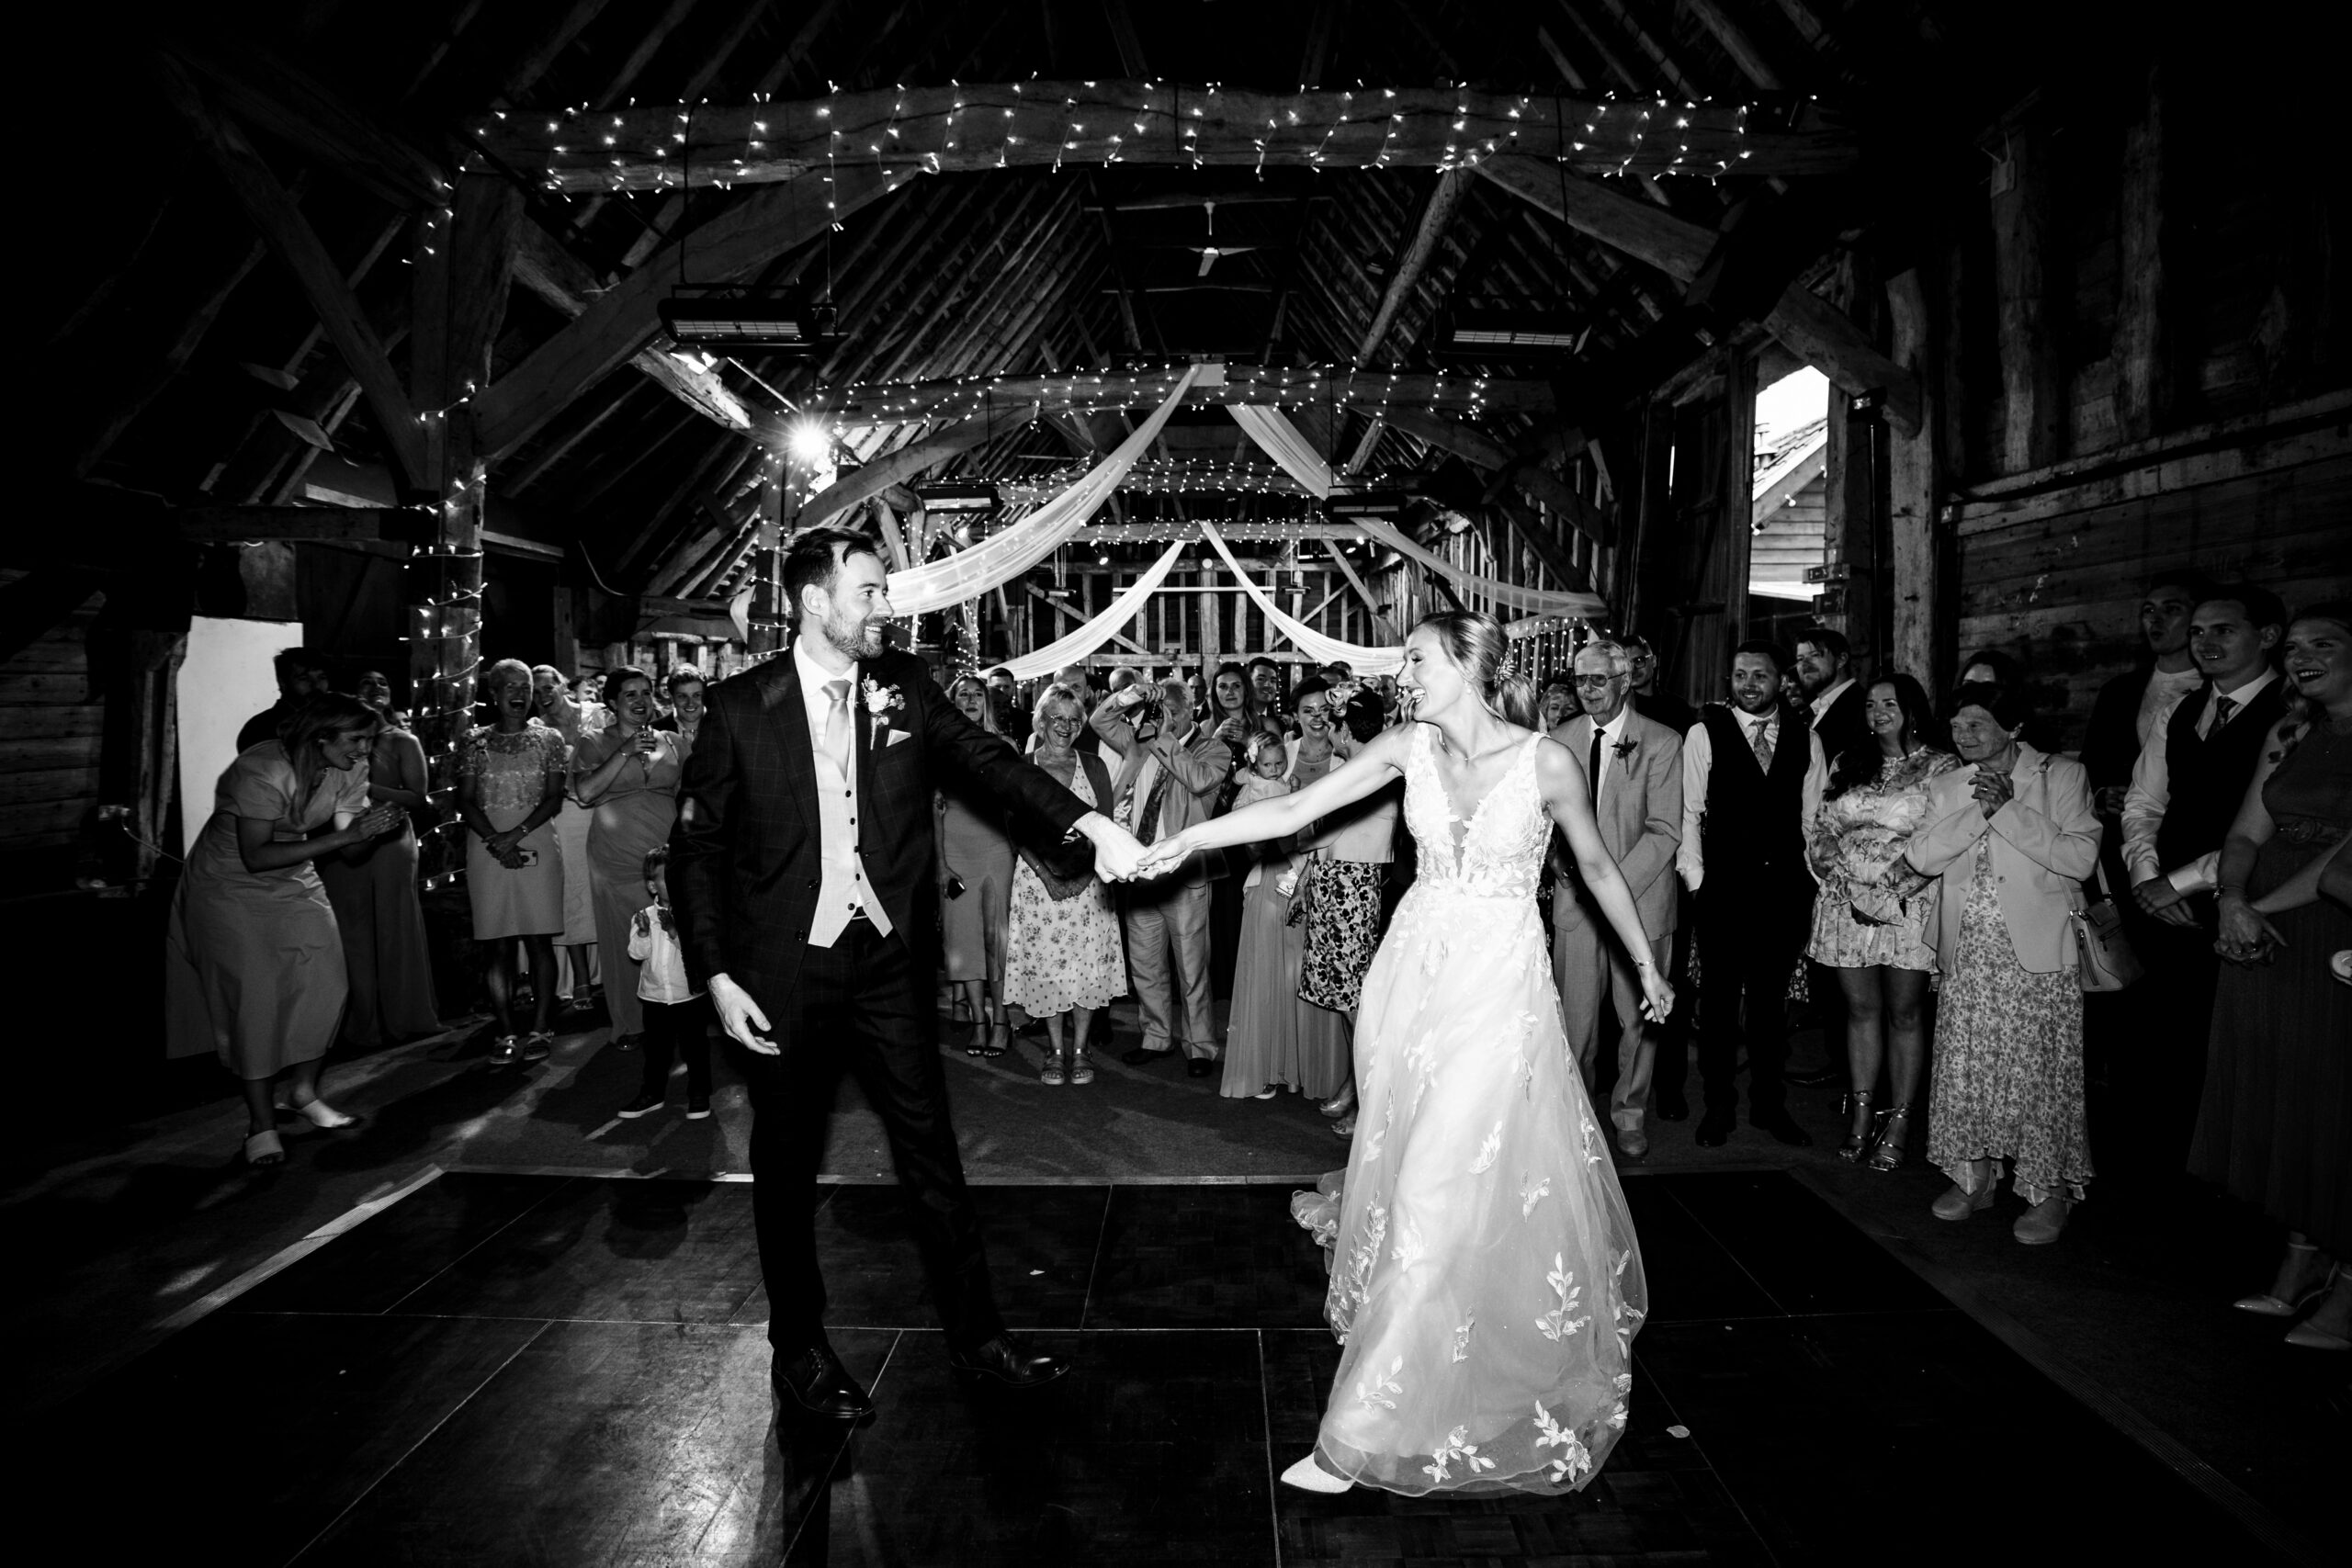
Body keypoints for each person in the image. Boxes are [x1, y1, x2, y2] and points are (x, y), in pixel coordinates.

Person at [1136, 610, 1669, 1497]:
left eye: (1416, 659)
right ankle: (1439, 1347)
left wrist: (1646, 962)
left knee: (1434, 1183)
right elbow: (1300, 806)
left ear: (1466, 662)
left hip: (1498, 986)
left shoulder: (1546, 761)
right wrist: (1189, 841)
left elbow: (1602, 868)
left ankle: (1354, 1437)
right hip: (1409, 977)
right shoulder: (1402, 746)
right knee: (1420, 1165)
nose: (1404, 674)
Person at [670, 527, 1148, 1420]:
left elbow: (990, 762)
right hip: (780, 970)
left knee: (932, 1155)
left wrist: (1091, 826)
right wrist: (718, 975)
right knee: (785, 1163)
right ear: (816, 601)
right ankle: (799, 1350)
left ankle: (976, 1336)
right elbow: (695, 847)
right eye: (869, 591)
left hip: (887, 966)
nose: (885, 606)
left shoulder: (906, 688)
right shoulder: (740, 707)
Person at [2196, 604, 2352, 1349]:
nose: (2302, 658)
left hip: (2334, 926)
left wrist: (2256, 907)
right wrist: (2231, 899)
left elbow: (2344, 862)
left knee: (2339, 1102)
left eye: (2325, 645)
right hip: (2264, 918)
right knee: (2290, 1094)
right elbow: (2245, 828)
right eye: (2295, 648)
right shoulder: (2290, 731)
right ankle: (2300, 1257)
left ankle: (2348, 1285)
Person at [166, 694, 407, 1165]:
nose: (365, 750)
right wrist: (346, 836)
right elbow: (255, 856)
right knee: (257, 1000)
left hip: (295, 876)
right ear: (321, 736)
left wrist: (373, 830)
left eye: (369, 740)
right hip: (229, 886)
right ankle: (261, 1125)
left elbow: (349, 848)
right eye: (356, 739)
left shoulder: (349, 768)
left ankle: (302, 1091)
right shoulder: (260, 768)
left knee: (327, 984)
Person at [1905, 681, 2101, 1244]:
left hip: (2040, 953)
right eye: (1958, 724)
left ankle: (2047, 1190)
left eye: (1978, 724)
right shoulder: (1946, 784)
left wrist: (2008, 809)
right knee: (1968, 1068)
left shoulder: (2061, 776)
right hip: (1969, 951)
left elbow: (2079, 859)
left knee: (2038, 1073)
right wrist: (1977, 809)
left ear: (2013, 727)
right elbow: (1920, 856)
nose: (1963, 735)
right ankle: (1973, 1178)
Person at [2113, 585, 2290, 1188]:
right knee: (2169, 1044)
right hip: (2163, 906)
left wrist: (2182, 883)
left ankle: (2234, 1180)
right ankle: (2166, 1171)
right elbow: (2142, 802)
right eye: (2199, 632)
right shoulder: (2181, 710)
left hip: (2251, 899)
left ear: (2266, 636)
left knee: (2242, 1054)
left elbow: (2268, 824)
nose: (2206, 642)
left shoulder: (2293, 712)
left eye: (2223, 630)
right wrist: (2146, 879)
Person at [1677, 641, 1826, 1148]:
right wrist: (1697, 881)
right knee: (1718, 1007)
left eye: (1759, 675)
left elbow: (1813, 818)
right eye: (1739, 675)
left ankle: (1770, 1106)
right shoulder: (1706, 732)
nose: (1748, 685)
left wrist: (1811, 882)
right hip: (1722, 891)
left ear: (1780, 679)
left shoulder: (1807, 737)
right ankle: (1718, 1106)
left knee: (1769, 1007)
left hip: (1784, 892)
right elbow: (1689, 812)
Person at [1805, 675, 1957, 1168]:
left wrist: (1887, 892)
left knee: (1906, 1013)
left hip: (1908, 906)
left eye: (1890, 703)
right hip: (1845, 902)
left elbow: (1943, 837)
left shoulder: (1942, 766)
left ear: (1913, 708)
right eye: (1871, 705)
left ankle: (1902, 1119)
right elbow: (1822, 828)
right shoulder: (1849, 762)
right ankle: (1862, 1115)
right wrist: (1844, 880)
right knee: (1859, 1011)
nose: (1878, 712)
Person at [1551, 639, 1683, 1160]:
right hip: (1576, 905)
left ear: (1625, 682)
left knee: (1639, 1021)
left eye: (1598, 679)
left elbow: (1665, 828)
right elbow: (1547, 822)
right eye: (1580, 679)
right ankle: (1577, 1119)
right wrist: (1560, 866)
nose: (1587, 689)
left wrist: (1613, 891)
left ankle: (1629, 1114)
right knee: (1575, 1023)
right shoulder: (1557, 740)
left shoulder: (1662, 740)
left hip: (1643, 901)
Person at [1091, 674, 1235, 1077]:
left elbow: (1200, 780)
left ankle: (1200, 1046)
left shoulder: (1213, 748)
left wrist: (1161, 736)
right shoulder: (1140, 740)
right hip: (1139, 870)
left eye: (1172, 712)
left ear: (1191, 711)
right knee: (1146, 964)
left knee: (1191, 968)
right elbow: (1099, 723)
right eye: (1158, 711)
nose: (1161, 718)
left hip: (1184, 874)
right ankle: (1155, 1036)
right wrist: (1131, 695)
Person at [1002, 682, 1125, 1086]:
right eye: (1057, 718)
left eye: (1074, 720)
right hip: (1038, 883)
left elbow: (1105, 827)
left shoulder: (1095, 765)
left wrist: (1083, 875)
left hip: (1089, 881)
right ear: (1040, 720)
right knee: (1049, 968)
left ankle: (1080, 1048)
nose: (1066, 726)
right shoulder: (1020, 765)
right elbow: (1013, 829)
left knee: (1085, 967)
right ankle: (1055, 1050)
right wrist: (1048, 877)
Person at [316, 670, 441, 1051]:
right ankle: (359, 1025)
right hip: (342, 841)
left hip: (390, 839)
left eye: (383, 683)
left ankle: (405, 1017)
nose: (375, 689)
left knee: (394, 926)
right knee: (350, 931)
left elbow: (417, 797)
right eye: (366, 684)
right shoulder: (336, 742)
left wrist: (364, 786)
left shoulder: (403, 741)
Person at [1294, 684, 1398, 1125]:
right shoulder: (1355, 763)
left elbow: (1327, 826)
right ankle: (1354, 1085)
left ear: (1342, 728)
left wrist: (1294, 843)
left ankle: (1371, 1102)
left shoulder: (1374, 769)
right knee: (1345, 997)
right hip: (1336, 880)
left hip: (1354, 885)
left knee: (1358, 1002)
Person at [458, 660, 569, 1066]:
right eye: (509, 686)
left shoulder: (549, 739)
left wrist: (515, 836)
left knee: (539, 940)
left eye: (525, 686)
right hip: (487, 846)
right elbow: (465, 799)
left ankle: (541, 1027)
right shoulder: (473, 740)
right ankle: (504, 1030)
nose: (519, 693)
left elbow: (554, 797)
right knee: (497, 945)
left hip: (535, 839)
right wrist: (494, 839)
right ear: (494, 694)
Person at [572, 668, 686, 1049]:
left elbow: (692, 798)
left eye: (646, 693)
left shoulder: (672, 741)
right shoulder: (593, 742)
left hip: (666, 855)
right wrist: (624, 751)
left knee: (677, 936)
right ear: (612, 703)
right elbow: (585, 792)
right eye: (630, 695)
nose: (640, 702)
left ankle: (683, 1018)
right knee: (628, 939)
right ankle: (631, 1024)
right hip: (615, 858)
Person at [937, 674, 1018, 1059]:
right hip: (953, 849)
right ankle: (978, 1024)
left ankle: (1001, 1020)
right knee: (962, 941)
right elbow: (932, 809)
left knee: (995, 938)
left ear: (986, 702)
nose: (970, 699)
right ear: (952, 702)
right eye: (962, 694)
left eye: (976, 694)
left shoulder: (1003, 746)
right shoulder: (937, 746)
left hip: (995, 847)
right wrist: (939, 864)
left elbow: (1018, 803)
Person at [616, 846, 712, 1121]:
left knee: (695, 1049)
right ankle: (652, 1094)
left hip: (688, 996)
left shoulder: (694, 913)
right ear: (651, 885)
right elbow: (636, 954)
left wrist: (673, 931)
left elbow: (697, 954)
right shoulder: (642, 916)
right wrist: (645, 933)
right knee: (656, 1052)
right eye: (667, 877)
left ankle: (699, 1093)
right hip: (654, 997)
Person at [532, 664, 603, 1016]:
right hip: (558, 817)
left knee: (593, 892)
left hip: (595, 815)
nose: (543, 696)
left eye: (548, 687)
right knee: (569, 894)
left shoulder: (594, 715)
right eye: (536, 691)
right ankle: (579, 978)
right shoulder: (535, 729)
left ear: (563, 685)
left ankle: (610, 971)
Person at [235, 648, 332, 753]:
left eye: (322, 677)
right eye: (304, 678)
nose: (316, 685)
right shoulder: (261, 728)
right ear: (283, 683)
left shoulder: (334, 721)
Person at [1793, 626, 1867, 761]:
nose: (1805, 664)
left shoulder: (1863, 708)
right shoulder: (1806, 714)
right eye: (1800, 658)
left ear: (1841, 659)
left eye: (1815, 655)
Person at [1625, 636, 1696, 737]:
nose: (1633, 670)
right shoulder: (1619, 708)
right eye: (1627, 664)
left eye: (1639, 660)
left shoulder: (1678, 707)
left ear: (1653, 661)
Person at [651, 667, 708, 749]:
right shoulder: (656, 730)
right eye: (682, 696)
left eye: (696, 695)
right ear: (672, 697)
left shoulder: (722, 727)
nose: (690, 703)